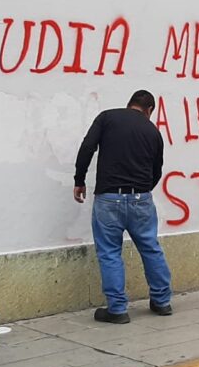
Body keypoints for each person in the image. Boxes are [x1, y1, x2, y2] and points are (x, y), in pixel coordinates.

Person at [74, 90, 172, 324]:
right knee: (150, 248)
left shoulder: (107, 118)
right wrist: (142, 189)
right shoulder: (152, 131)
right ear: (149, 110)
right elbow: (157, 168)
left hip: (109, 198)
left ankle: (117, 309)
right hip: (141, 199)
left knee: (109, 253)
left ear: (130, 104)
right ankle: (162, 302)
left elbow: (87, 147)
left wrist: (79, 180)